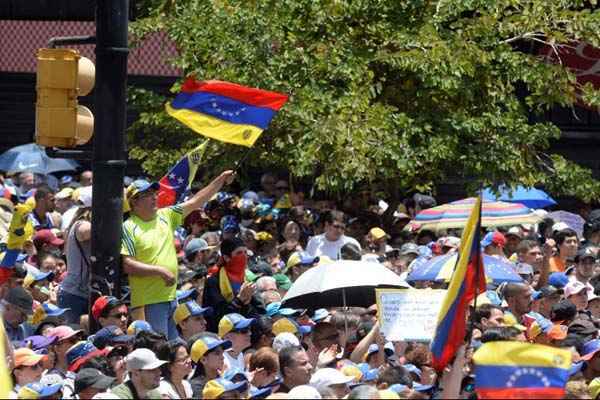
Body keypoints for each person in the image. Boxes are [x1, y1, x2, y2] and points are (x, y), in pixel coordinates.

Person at [121, 171, 234, 339]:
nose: (154, 197)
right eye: (147, 195)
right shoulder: (129, 227)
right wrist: (160, 271)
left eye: (154, 193)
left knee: (175, 350)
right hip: (148, 302)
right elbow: (127, 265)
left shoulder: (165, 216)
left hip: (171, 297)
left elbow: (196, 201)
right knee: (159, 349)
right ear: (134, 202)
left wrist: (220, 179)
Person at [203, 237, 259, 332]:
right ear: (226, 258)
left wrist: (246, 304)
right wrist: (239, 300)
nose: (244, 256)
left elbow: (256, 311)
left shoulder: (247, 280)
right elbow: (217, 314)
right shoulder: (213, 282)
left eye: (245, 252)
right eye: (239, 253)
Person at [58, 186, 92, 324]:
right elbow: (86, 231)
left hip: (82, 292)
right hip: (73, 294)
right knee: (75, 335)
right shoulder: (81, 224)